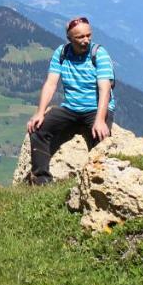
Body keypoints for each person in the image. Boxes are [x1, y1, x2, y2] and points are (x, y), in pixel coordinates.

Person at [25, 16, 114, 185]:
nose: (86, 40)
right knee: (38, 130)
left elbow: (105, 89)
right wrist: (40, 112)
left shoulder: (99, 54)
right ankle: (42, 180)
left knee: (101, 137)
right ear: (69, 38)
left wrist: (100, 120)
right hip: (71, 107)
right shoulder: (62, 53)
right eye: (80, 37)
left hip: (95, 108)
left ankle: (97, 182)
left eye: (89, 35)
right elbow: (51, 83)